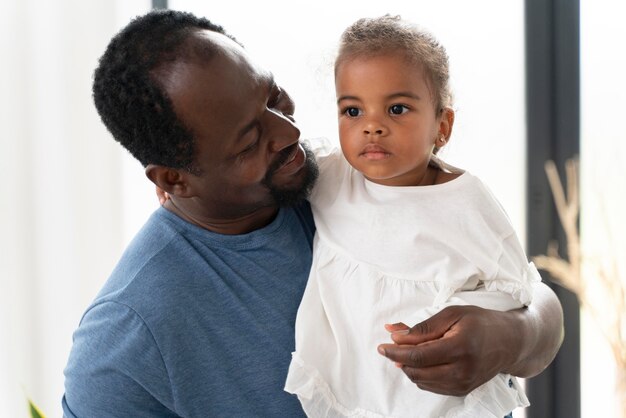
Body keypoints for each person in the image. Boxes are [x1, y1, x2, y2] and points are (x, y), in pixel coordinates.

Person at [62, 9, 563, 418]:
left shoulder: (327, 180)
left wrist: (511, 337)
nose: (289, 134)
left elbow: (534, 297)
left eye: (274, 98)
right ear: (175, 180)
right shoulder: (124, 344)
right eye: (250, 140)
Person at [283, 15, 547, 418]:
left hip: (445, 396)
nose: (372, 126)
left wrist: (446, 321)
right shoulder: (334, 176)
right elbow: (280, 162)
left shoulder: (464, 201)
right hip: (355, 385)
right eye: (352, 111)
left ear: (442, 126)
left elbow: (512, 288)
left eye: (397, 108)